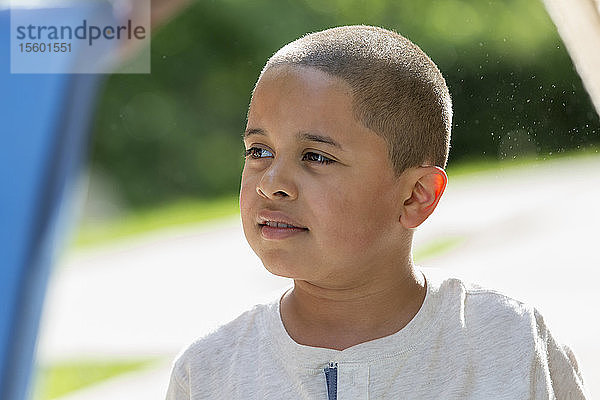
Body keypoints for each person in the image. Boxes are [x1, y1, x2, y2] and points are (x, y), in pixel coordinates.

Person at [165, 25, 587, 399]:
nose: (270, 182)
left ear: (415, 196)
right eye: (260, 151)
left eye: (315, 156)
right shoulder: (209, 373)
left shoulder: (509, 344)